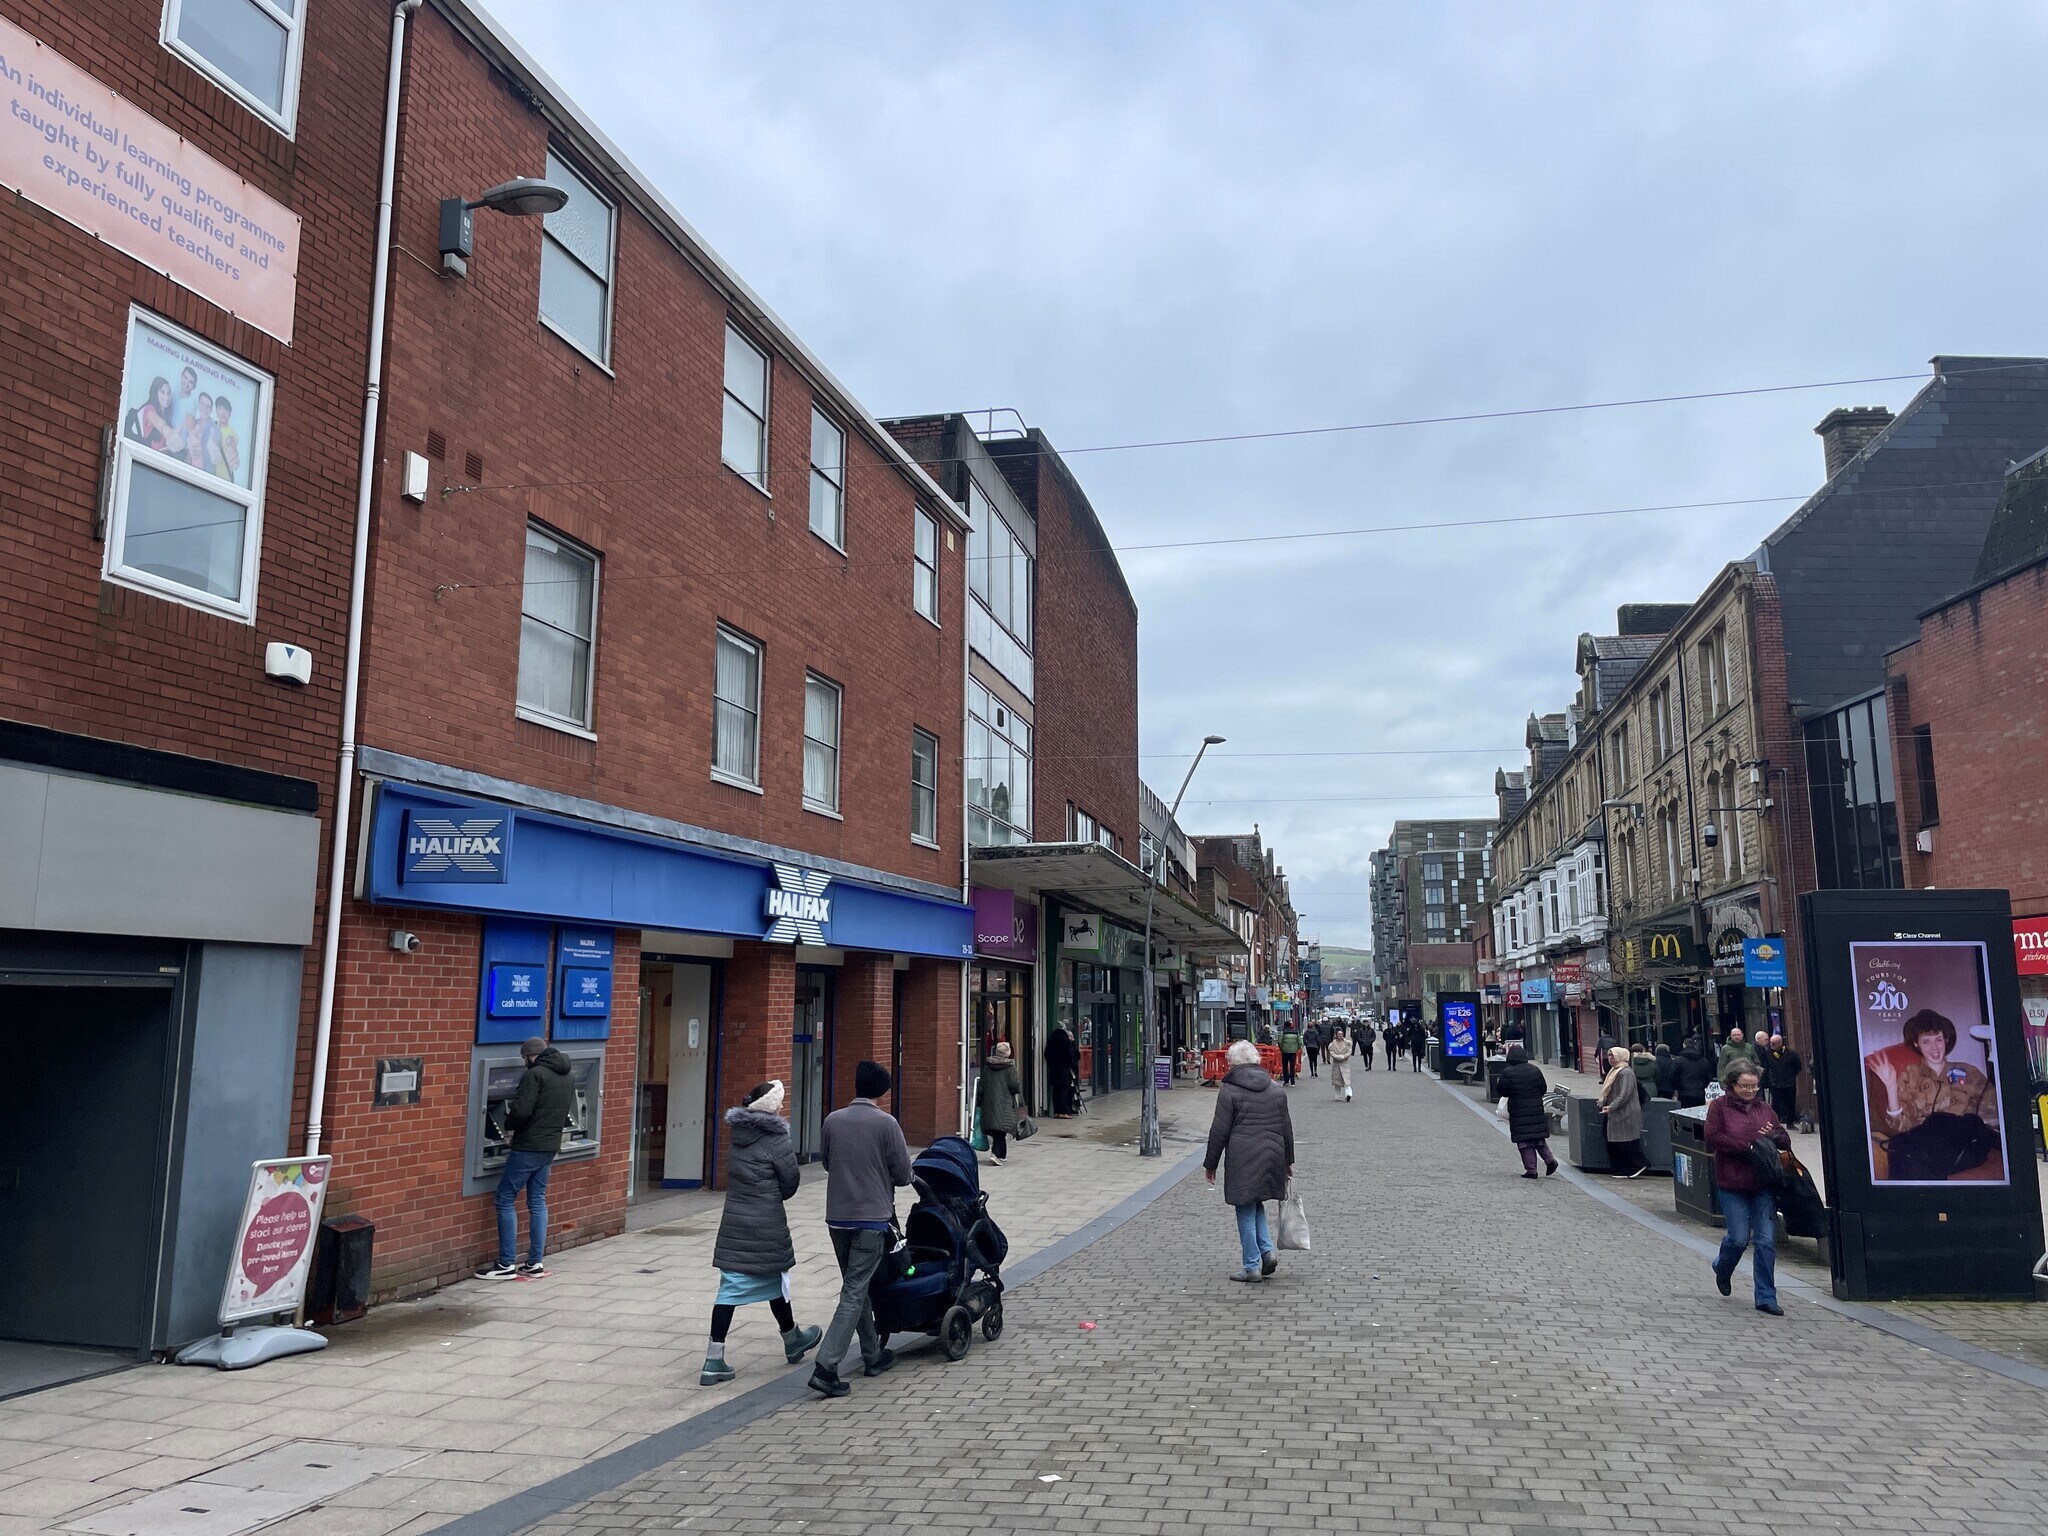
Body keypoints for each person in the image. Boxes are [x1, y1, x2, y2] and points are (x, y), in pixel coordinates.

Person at [700, 1081, 822, 1385]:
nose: (782, 1106)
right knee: (777, 1279)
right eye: (779, 1102)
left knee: (730, 1289)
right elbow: (791, 1182)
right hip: (766, 1223)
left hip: (735, 1223)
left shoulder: (738, 1135)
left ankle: (714, 1359)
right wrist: (771, 1195)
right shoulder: (777, 1139)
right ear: (771, 1107)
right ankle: (792, 1338)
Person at [808, 1061, 912, 1399]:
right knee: (854, 1292)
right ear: (882, 1091)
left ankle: (872, 1355)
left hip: (837, 1217)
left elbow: (827, 1162)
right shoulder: (886, 1123)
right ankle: (826, 1366)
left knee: (857, 1287)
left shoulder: (832, 1120)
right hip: (871, 1218)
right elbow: (902, 1173)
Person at [475, 1037, 574, 1280]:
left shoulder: (535, 1074)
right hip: (550, 1146)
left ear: (530, 1056)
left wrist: (508, 1127)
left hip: (528, 1146)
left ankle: (506, 1264)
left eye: (523, 1059)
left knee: (505, 1199)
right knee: (537, 1200)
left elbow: (521, 1110)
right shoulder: (567, 1074)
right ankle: (534, 1263)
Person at [1868, 1008, 2000, 1180]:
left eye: (1938, 1039)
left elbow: (1994, 1115)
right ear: (1916, 1044)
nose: (1934, 1048)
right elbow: (1898, 1127)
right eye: (1926, 1042)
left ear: (1946, 1039)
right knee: (1904, 1151)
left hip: (1962, 1144)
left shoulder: (1969, 1072)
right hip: (1922, 1146)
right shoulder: (1910, 1074)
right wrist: (1891, 1086)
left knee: (1918, 1157)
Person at [1202, 1039, 1295, 1283]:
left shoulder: (1229, 1090)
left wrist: (1210, 1164)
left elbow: (1219, 1130)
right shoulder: (1275, 1088)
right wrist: (1288, 1161)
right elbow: (1287, 1128)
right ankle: (1267, 1252)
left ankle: (1251, 1265)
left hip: (1243, 1156)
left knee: (1244, 1207)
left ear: (1233, 1063)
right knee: (1255, 1204)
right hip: (1273, 1154)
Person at [1704, 1062, 1790, 1315]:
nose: (1751, 1090)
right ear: (1732, 1084)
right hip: (1732, 1182)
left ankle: (1766, 1297)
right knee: (1739, 1238)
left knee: (1765, 1241)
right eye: (1745, 1086)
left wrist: (1772, 1136)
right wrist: (1748, 1146)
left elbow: (1783, 1138)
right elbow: (1713, 1138)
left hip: (1764, 1183)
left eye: (1754, 1086)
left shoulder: (1765, 1109)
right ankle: (1723, 1265)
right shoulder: (1719, 1107)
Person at [1496, 1044, 1558, 1178]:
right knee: (1537, 1138)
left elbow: (1502, 1091)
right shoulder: (1535, 1070)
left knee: (1524, 1141)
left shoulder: (1508, 1072)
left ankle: (1532, 1170)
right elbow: (1543, 1088)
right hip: (1535, 1108)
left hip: (1519, 1110)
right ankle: (1550, 1160)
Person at [1598, 1046, 1646, 1177]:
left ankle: (1636, 1165)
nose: (1609, 1058)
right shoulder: (1614, 1071)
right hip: (1614, 1113)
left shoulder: (1625, 1072)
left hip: (1625, 1113)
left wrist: (1611, 1106)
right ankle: (1621, 1168)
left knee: (1625, 1142)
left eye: (1612, 1056)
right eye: (1608, 1055)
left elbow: (1624, 1093)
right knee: (1613, 1139)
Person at [976, 1040, 1023, 1165]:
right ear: (1008, 1054)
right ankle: (995, 1154)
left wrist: (979, 1103)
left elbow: (982, 1086)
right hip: (1005, 1103)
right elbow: (1014, 1086)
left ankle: (1002, 1154)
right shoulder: (1010, 1068)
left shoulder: (987, 1066)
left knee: (998, 1128)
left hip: (989, 1102)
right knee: (1000, 1129)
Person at [1763, 1033, 1802, 1126]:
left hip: (1789, 1083)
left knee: (1790, 1103)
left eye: (1774, 1043)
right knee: (1777, 1103)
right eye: (1770, 1043)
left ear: (1780, 1043)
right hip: (1775, 1083)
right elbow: (1766, 1067)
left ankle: (1790, 1122)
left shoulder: (1792, 1054)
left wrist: (1790, 1076)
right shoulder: (1768, 1054)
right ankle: (1777, 1122)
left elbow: (1798, 1067)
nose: (1771, 1045)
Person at [1044, 1023, 1080, 1118]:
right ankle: (1063, 1112)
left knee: (1056, 1091)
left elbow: (1046, 1054)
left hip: (1054, 1070)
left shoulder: (1051, 1040)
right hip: (1064, 1070)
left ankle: (1056, 1111)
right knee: (1063, 1091)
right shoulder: (1066, 1041)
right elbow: (1072, 1056)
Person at [1670, 1037, 1713, 1108]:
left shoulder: (1678, 1060)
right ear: (1694, 1046)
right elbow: (1708, 1077)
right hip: (1699, 1093)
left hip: (1684, 1093)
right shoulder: (1703, 1061)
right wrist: (1702, 1086)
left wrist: (1678, 1087)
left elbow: (1672, 1076)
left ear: (1684, 1045)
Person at [1326, 1016, 1355, 1101]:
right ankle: (1337, 1096)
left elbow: (1349, 1051)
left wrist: (1344, 1056)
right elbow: (1332, 1053)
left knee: (1347, 1080)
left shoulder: (1347, 1043)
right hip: (1336, 1064)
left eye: (1341, 1034)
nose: (1340, 1036)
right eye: (1339, 1034)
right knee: (1337, 1081)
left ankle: (1348, 1094)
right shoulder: (1332, 1044)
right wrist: (1338, 1057)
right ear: (1336, 1035)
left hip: (1345, 1063)